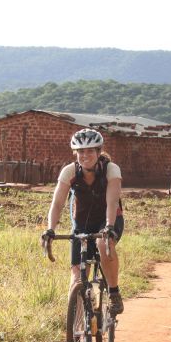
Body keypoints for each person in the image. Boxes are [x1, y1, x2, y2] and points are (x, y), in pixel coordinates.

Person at [41, 128, 124, 317]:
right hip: (82, 223)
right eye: (80, 152)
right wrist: (50, 229)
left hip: (109, 218)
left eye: (90, 151)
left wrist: (109, 227)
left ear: (98, 151)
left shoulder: (111, 170)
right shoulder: (69, 171)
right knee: (76, 279)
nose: (85, 155)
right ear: (75, 153)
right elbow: (57, 204)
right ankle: (77, 338)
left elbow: (112, 202)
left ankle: (113, 292)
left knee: (103, 243)